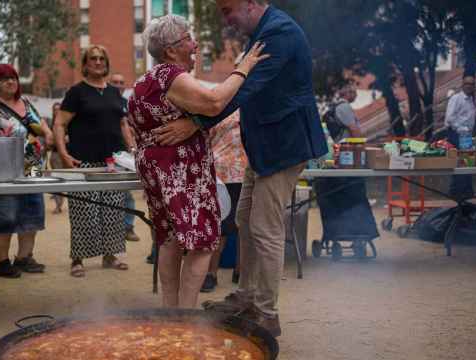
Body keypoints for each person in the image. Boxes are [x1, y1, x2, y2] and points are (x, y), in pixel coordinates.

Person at [155, 0, 327, 336]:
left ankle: (266, 312)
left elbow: (242, 90)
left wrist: (195, 123)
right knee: (245, 220)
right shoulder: (262, 31)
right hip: (264, 146)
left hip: (285, 145)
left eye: (227, 11)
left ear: (251, 4)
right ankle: (247, 297)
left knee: (265, 228)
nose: (226, 20)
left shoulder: (278, 33)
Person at [127, 14, 268, 308]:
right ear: (170, 50)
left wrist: (193, 125)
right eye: (188, 39)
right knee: (204, 241)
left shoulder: (145, 81)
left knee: (169, 238)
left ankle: (171, 310)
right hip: (179, 169)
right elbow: (215, 102)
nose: (195, 44)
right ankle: (186, 313)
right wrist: (242, 69)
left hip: (155, 167)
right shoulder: (171, 76)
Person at [54, 45, 130, 277]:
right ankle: (77, 259)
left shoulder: (115, 93)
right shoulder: (77, 92)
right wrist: (64, 154)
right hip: (83, 162)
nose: (98, 62)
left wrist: (133, 151)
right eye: (93, 59)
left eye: (101, 59)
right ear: (85, 64)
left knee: (113, 210)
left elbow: (123, 124)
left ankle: (110, 255)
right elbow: (59, 124)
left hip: (113, 163)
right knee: (83, 212)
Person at [0, 64, 49, 278]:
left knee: (32, 213)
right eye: (4, 78)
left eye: (14, 78)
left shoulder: (26, 103)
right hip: (2, 173)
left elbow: (40, 125)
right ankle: (2, 262)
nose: (11, 82)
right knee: (3, 216)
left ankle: (24, 257)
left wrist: (48, 132)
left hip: (32, 169)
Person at [314, 86, 379, 257]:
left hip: (341, 159)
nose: (356, 94)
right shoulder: (344, 108)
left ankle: (340, 234)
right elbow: (355, 132)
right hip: (348, 157)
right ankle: (358, 234)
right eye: (353, 91)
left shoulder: (335, 109)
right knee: (354, 195)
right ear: (346, 94)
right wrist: (364, 151)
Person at [201, 109, 247, 292]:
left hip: (244, 173)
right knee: (221, 227)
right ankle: (213, 273)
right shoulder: (216, 108)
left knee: (240, 226)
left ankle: (237, 271)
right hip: (220, 173)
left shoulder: (218, 108)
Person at [110, 72, 140, 242]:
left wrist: (133, 147)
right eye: (115, 82)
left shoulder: (128, 104)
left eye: (121, 82)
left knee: (127, 194)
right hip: (107, 155)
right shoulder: (105, 101)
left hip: (125, 155)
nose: (118, 85)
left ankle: (128, 227)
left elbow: (133, 126)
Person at [445, 75, 476, 198]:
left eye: (472, 84)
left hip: (467, 136)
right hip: (456, 134)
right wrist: (460, 129)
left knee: (468, 162)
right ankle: (455, 192)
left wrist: (468, 132)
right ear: (462, 85)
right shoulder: (456, 98)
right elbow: (449, 118)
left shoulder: (471, 100)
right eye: (467, 84)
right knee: (459, 163)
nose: (469, 86)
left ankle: (467, 192)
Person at [48, 102, 65, 214]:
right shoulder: (51, 123)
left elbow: (66, 139)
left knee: (61, 181)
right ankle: (58, 204)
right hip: (54, 155)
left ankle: (59, 205)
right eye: (55, 109)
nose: (56, 111)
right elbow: (49, 141)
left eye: (59, 109)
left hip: (64, 155)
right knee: (56, 180)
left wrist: (57, 140)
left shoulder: (64, 123)